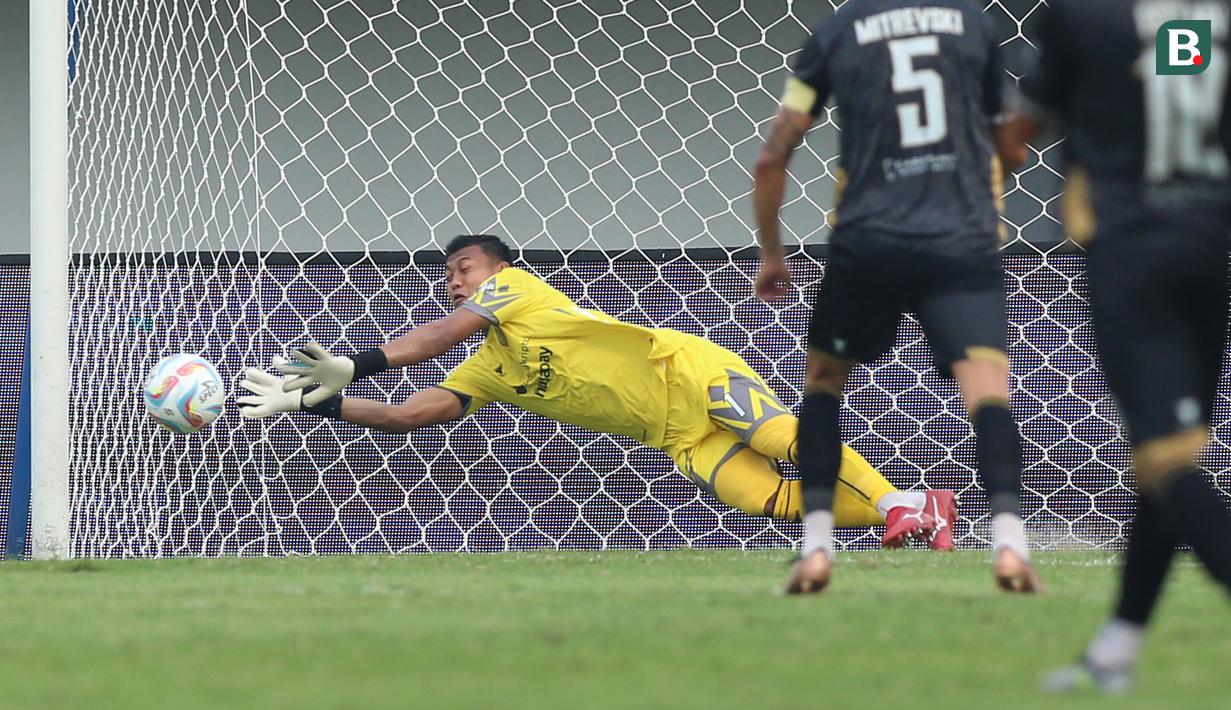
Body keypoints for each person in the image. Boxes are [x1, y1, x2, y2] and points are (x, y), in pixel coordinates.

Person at [239, 234, 956, 548]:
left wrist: (355, 361)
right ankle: (922, 511)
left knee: (774, 436)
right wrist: (319, 403)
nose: (454, 281)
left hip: (686, 371)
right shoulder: (490, 366)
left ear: (494, 268)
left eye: (462, 267)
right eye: (449, 275)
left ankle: (893, 503)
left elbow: (434, 338)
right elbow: (410, 415)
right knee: (761, 498)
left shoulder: (514, 290)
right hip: (673, 434)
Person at [751, 0, 1040, 592]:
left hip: (868, 241)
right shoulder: (974, 24)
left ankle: (817, 549)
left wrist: (773, 253)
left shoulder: (835, 31)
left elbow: (772, 155)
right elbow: (1007, 142)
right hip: (961, 242)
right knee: (987, 388)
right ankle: (1010, 544)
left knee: (824, 382)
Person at [1013, 0, 1231, 692]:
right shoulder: (1193, 21)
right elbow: (1171, 93)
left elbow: (1022, 128)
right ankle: (1116, 648)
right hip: (1205, 244)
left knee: (1165, 457)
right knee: (1162, 455)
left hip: (1131, 253)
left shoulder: (1082, 15)